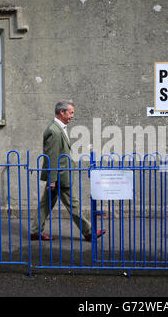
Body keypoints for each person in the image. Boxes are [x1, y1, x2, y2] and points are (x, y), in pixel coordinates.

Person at [30, 100, 106, 241]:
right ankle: (89, 232)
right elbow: (52, 157)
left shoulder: (58, 128)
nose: (72, 116)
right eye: (70, 113)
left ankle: (35, 231)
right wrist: (52, 180)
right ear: (62, 112)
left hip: (58, 175)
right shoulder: (54, 131)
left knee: (45, 204)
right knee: (73, 204)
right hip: (59, 176)